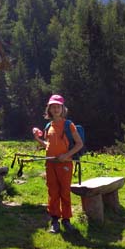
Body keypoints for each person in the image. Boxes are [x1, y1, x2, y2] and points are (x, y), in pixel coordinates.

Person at [33, 94, 83, 234]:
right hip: (50, 164)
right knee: (52, 191)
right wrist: (38, 139)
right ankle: (55, 220)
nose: (55, 109)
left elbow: (79, 144)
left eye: (58, 107)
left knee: (65, 192)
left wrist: (66, 156)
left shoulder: (69, 125)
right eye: (53, 107)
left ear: (62, 108)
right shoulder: (48, 125)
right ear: (49, 109)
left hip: (65, 164)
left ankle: (66, 220)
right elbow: (48, 145)